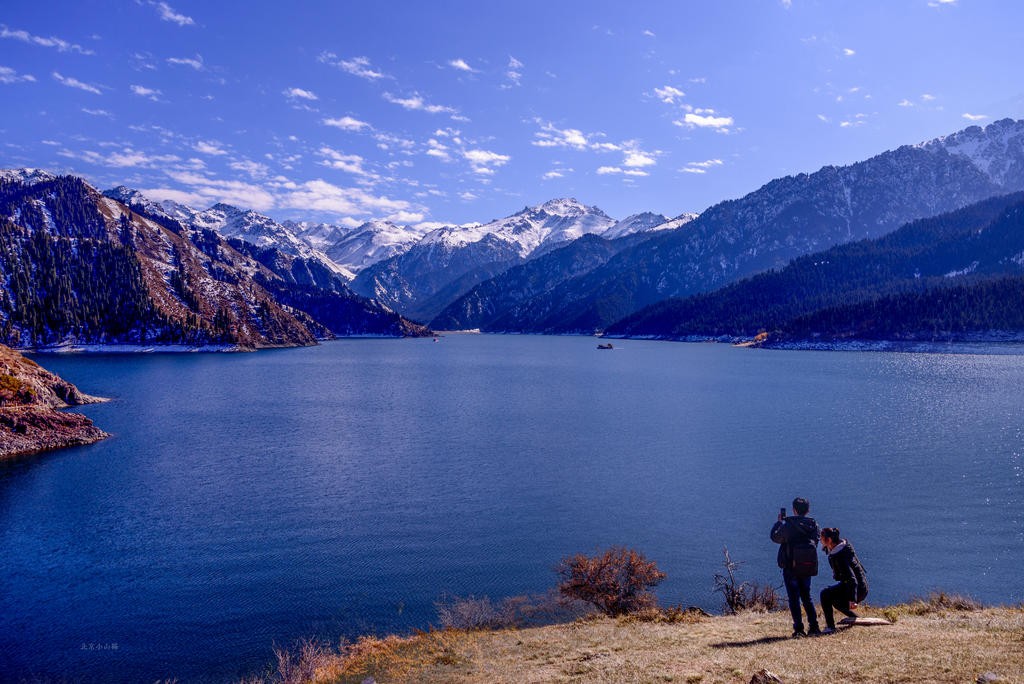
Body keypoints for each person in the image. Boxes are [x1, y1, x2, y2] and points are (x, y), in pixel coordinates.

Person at [770, 497, 821, 637]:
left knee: (794, 598)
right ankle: (814, 626)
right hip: (807, 566)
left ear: (794, 510)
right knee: (807, 597)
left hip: (790, 567)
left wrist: (778, 522)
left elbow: (775, 537)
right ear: (808, 510)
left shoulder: (789, 525)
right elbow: (816, 541)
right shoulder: (814, 525)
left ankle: (799, 629)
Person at [819, 527, 869, 633]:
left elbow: (852, 579)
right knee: (835, 600)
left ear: (829, 540)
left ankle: (830, 627)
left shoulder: (840, 557)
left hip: (857, 589)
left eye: (822, 538)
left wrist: (852, 600)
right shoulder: (842, 548)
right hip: (859, 586)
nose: (820, 540)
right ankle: (856, 619)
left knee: (825, 594)